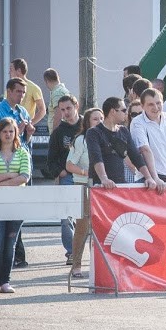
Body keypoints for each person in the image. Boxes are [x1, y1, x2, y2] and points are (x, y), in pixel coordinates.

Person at [0, 118, 31, 294]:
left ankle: (5, 281)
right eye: (4, 131)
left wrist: (1, 183)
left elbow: (24, 176)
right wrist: (10, 175)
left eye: (11, 131)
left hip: (17, 205)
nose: (8, 134)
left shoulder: (23, 152)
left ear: (16, 133)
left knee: (10, 244)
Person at [87, 97, 163, 193]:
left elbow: (136, 157)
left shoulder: (123, 131)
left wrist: (149, 177)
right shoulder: (94, 132)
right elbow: (96, 157)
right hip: (99, 186)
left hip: (119, 185)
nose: (126, 113)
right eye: (123, 110)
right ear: (112, 111)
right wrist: (104, 178)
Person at [66, 108, 102, 280]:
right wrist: (85, 172)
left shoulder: (104, 137)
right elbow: (69, 165)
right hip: (83, 185)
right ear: (87, 122)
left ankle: (96, 265)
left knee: (99, 228)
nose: (99, 122)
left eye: (101, 118)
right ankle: (76, 265)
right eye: (95, 119)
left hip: (100, 187)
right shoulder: (81, 140)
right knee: (83, 227)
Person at [46, 95, 81, 264]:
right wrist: (60, 172)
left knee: (89, 217)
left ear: (76, 106)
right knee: (66, 218)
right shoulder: (58, 132)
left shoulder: (88, 125)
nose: (66, 112)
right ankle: (71, 252)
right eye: (62, 110)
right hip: (67, 178)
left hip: (87, 176)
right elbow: (50, 160)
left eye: (68, 108)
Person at [9, 58, 46, 128]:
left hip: (25, 128)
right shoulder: (9, 87)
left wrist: (30, 124)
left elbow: (42, 110)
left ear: (19, 70)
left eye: (11, 69)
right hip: (10, 127)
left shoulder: (34, 88)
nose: (9, 72)